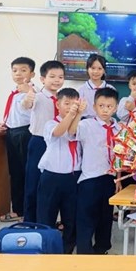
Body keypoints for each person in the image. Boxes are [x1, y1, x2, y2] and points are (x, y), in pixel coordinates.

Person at [71, 87, 120, 254]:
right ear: (94, 107)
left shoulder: (119, 128)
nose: (105, 110)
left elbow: (121, 156)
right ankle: (84, 252)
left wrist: (118, 178)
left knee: (106, 216)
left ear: (116, 108)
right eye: (101, 106)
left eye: (109, 106)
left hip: (110, 178)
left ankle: (102, 249)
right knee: (86, 217)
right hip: (90, 178)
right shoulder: (86, 124)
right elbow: (72, 132)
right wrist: (78, 113)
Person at [37, 88, 85, 254]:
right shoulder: (50, 123)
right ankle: (46, 249)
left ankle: (67, 250)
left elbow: (72, 132)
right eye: (67, 103)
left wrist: (77, 115)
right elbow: (59, 132)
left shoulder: (80, 124)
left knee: (71, 217)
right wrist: (71, 114)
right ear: (57, 105)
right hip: (52, 177)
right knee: (46, 215)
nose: (71, 107)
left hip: (73, 177)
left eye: (74, 104)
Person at [21, 60, 66, 223]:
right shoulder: (38, 96)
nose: (57, 80)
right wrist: (28, 97)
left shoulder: (63, 99)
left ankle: (48, 223)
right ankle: (30, 222)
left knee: (52, 185)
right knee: (33, 183)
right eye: (52, 76)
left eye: (60, 77)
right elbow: (27, 104)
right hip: (40, 142)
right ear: (42, 79)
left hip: (58, 143)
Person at [0, 56, 36, 222]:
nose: (18, 74)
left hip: (25, 133)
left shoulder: (32, 91)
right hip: (11, 132)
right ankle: (18, 209)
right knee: (15, 173)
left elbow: (28, 107)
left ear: (32, 74)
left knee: (25, 173)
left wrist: (28, 92)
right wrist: (5, 122)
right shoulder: (14, 92)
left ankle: (27, 211)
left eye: (23, 70)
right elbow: (16, 113)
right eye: (15, 70)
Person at [77, 54, 116, 119]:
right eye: (93, 68)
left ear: (104, 70)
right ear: (87, 69)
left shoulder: (110, 89)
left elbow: (114, 109)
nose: (96, 71)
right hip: (86, 122)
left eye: (99, 68)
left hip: (105, 121)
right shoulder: (81, 90)